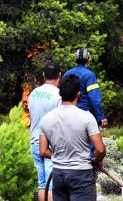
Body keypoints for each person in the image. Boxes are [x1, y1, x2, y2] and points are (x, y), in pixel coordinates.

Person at [39, 74, 106, 201]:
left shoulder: (47, 118)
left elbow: (43, 151)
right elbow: (101, 150)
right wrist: (96, 161)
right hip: (81, 175)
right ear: (79, 94)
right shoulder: (86, 117)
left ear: (60, 93)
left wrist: (60, 156)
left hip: (58, 174)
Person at [28, 62, 62, 201]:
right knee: (52, 185)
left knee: (42, 185)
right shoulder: (59, 95)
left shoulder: (34, 93)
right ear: (60, 75)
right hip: (49, 145)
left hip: (34, 141)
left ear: (43, 75)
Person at [63, 49, 107, 129]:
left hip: (67, 115)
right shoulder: (89, 75)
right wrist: (101, 116)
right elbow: (94, 98)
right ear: (88, 59)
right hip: (85, 116)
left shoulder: (67, 74)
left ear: (75, 59)